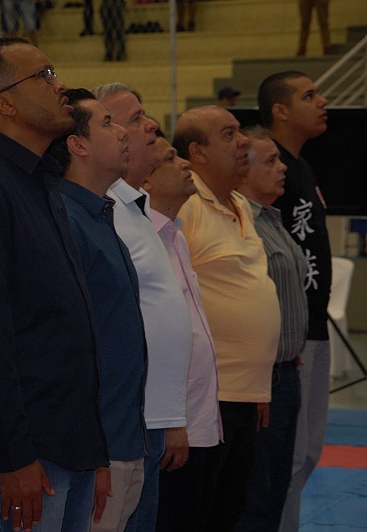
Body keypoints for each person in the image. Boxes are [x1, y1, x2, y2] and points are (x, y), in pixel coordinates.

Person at [0, 38, 108, 532]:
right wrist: (13, 456)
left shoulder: (38, 178)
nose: (61, 85)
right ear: (4, 103)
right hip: (25, 456)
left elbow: (63, 325)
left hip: (68, 443)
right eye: (44, 75)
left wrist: (93, 447)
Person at [174, 105, 281, 531]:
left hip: (245, 392)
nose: (243, 143)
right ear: (197, 152)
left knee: (229, 511)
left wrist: (258, 385)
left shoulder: (239, 203)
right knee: (197, 512)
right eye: (228, 134)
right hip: (208, 396)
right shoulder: (186, 205)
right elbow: (175, 299)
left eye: (240, 132)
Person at [48, 88, 147, 532]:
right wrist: (96, 452)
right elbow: (68, 347)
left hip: (123, 437)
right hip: (98, 446)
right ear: (78, 144)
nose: (123, 132)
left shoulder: (99, 213)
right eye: (108, 123)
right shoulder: (65, 219)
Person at [94, 83, 192, 532]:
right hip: (126, 420)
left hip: (150, 417)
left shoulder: (135, 206)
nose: (151, 125)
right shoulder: (101, 210)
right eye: (134, 119)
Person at [257, 70, 332, 532]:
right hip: (290, 339)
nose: (322, 102)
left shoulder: (299, 167)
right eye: (309, 96)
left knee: (307, 454)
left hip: (314, 326)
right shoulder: (267, 168)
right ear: (280, 110)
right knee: (286, 461)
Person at [145, 135, 223, 532]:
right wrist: (171, 421)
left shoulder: (174, 234)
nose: (186, 164)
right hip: (170, 422)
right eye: (172, 158)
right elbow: (151, 338)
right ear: (146, 179)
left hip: (198, 418)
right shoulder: (142, 240)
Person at [236, 127, 308, 532]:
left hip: (285, 370)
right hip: (262, 378)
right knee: (257, 494)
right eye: (271, 161)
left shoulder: (272, 218)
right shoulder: (242, 223)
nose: (283, 168)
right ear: (243, 170)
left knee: (276, 485)